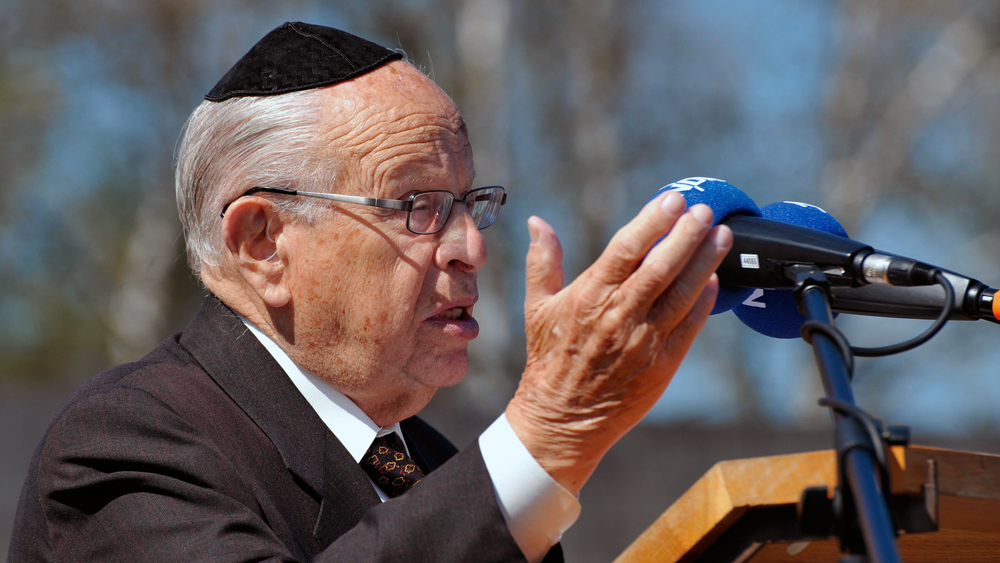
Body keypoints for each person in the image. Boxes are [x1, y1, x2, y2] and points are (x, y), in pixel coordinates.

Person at [9, 22, 732, 563]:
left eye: (468, 202)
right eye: (416, 206)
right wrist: (544, 433)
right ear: (263, 243)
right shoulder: (124, 444)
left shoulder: (435, 466)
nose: (471, 246)